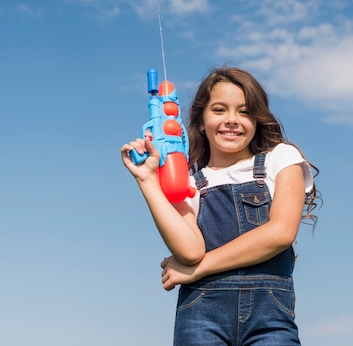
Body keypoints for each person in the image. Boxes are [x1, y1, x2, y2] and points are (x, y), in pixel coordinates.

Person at [120, 67, 319, 345]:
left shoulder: (282, 158)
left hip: (270, 320)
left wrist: (199, 269)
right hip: (201, 315)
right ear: (201, 120)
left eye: (245, 111)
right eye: (219, 110)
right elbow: (190, 251)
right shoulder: (190, 183)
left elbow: (281, 233)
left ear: (257, 120)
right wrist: (148, 182)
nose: (232, 120)